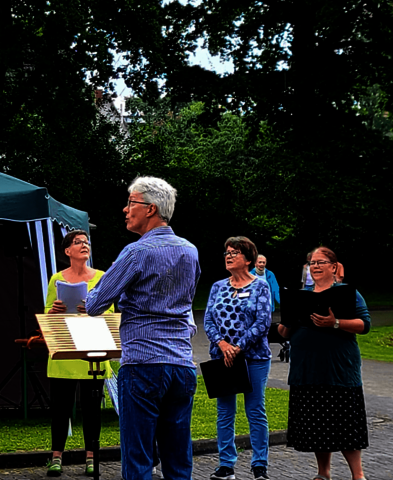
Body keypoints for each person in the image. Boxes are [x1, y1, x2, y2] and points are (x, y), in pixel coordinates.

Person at [85, 177, 200, 480]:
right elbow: (185, 301)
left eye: (130, 202)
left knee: (138, 461)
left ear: (150, 208)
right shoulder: (190, 251)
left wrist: (116, 286)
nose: (125, 209)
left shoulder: (135, 253)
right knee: (178, 461)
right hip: (181, 363)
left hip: (143, 364)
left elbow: (95, 304)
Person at [276, 247, 370, 480]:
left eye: (321, 262)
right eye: (312, 263)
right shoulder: (300, 294)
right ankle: (323, 473)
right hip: (307, 369)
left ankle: (358, 475)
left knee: (345, 424)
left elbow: (364, 324)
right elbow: (283, 333)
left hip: (338, 369)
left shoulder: (348, 293)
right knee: (318, 423)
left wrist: (335, 322)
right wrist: (288, 321)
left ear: (334, 266)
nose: (315, 266)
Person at [42, 230, 113, 477]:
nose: (84, 245)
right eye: (77, 242)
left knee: (92, 409)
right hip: (65, 352)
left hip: (93, 351)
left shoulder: (103, 278)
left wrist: (92, 310)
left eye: (86, 242)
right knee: (61, 408)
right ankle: (56, 456)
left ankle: (91, 457)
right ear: (67, 251)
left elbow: (111, 312)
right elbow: (47, 315)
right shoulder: (56, 280)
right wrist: (55, 311)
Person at [203, 237, 273, 480]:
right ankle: (226, 464)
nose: (228, 256)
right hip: (223, 358)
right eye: (226, 252)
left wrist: (238, 347)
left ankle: (259, 465)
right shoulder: (217, 287)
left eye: (234, 252)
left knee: (255, 410)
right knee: (224, 412)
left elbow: (263, 322)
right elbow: (209, 320)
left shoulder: (260, 286)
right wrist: (223, 345)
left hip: (253, 358)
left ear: (248, 259)